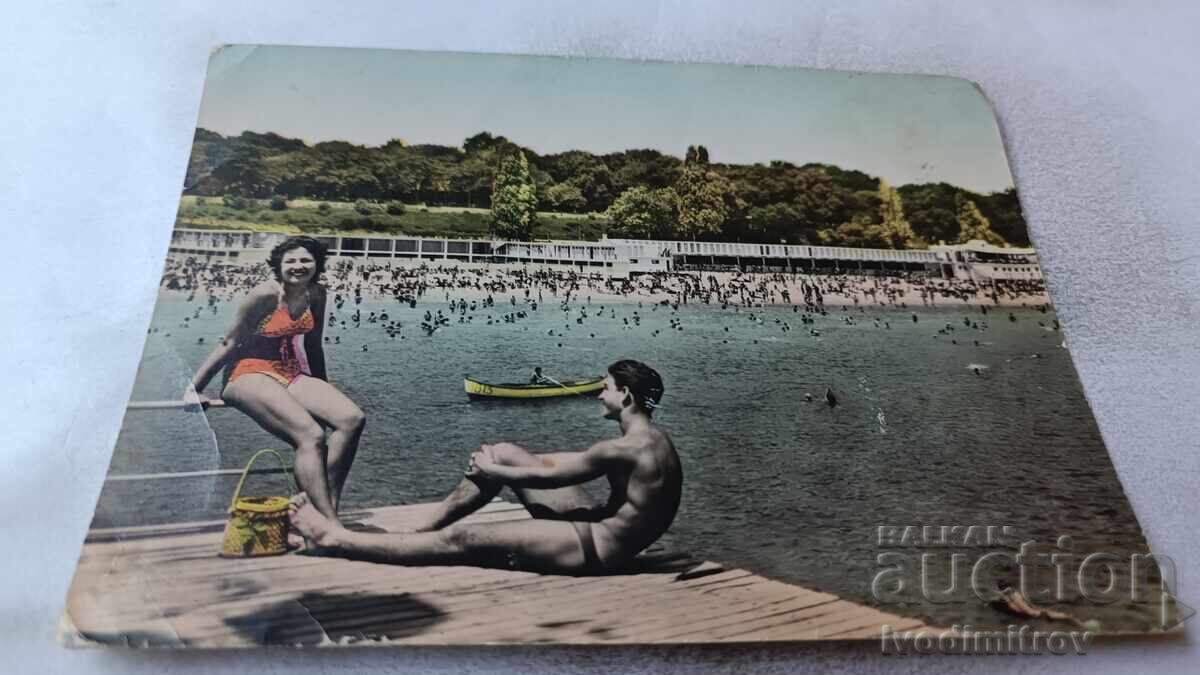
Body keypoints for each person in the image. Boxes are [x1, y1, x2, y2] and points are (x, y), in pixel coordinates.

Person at [289, 359, 681, 575]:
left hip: (596, 550)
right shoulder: (653, 441)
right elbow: (558, 462)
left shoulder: (626, 448)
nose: (598, 394)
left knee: (464, 541)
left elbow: (551, 475)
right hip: (600, 530)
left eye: (606, 387)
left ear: (625, 395)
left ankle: (337, 540)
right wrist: (498, 459)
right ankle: (420, 529)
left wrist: (493, 472)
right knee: (507, 451)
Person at [187, 236, 365, 523]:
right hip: (247, 372)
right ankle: (328, 524)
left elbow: (314, 346)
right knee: (311, 436)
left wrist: (322, 388)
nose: (299, 266)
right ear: (278, 266)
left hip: (288, 370)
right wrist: (194, 389)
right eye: (291, 261)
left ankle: (327, 505)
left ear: (317, 264)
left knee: (351, 419)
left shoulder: (316, 294)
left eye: (306, 260)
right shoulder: (264, 295)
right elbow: (228, 343)